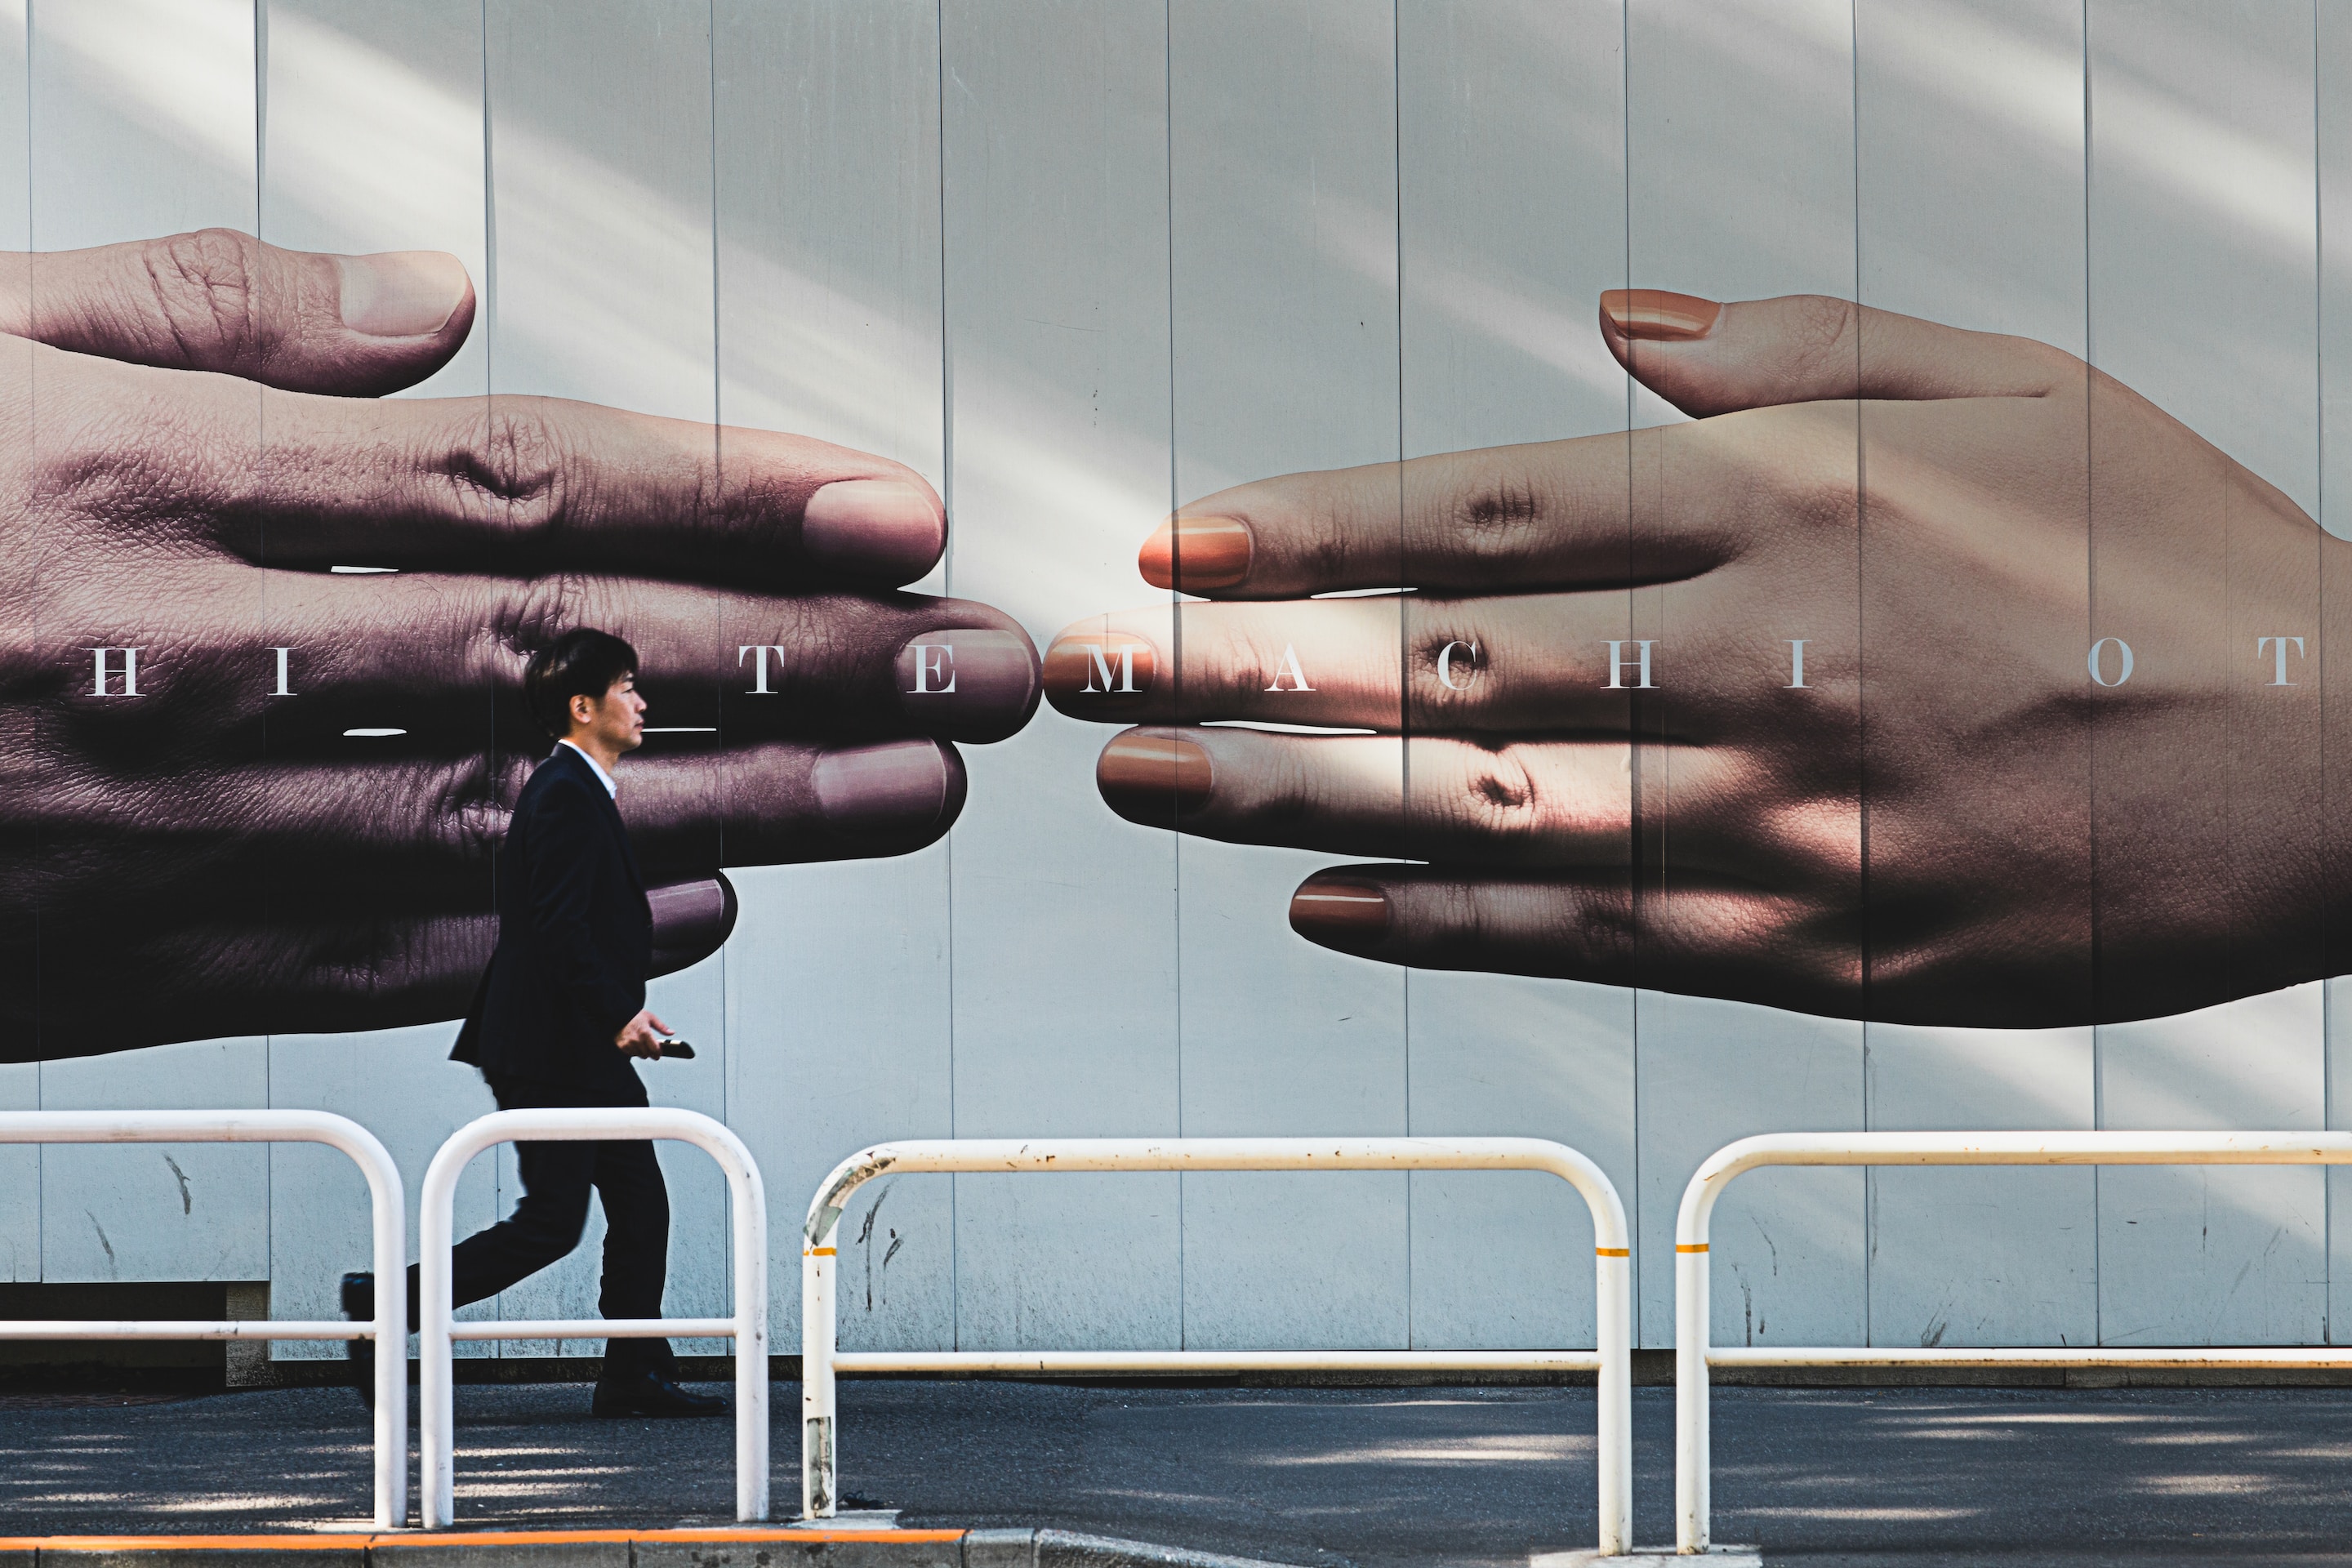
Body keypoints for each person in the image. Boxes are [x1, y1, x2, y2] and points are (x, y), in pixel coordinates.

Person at [342, 626, 724, 1418]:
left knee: (640, 1203)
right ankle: (385, 1305)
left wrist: (627, 1014)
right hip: (550, 1049)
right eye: (626, 687)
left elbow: (572, 927)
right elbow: (555, 926)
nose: (641, 701)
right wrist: (615, 1012)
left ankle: (634, 1373)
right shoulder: (563, 795)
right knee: (552, 1222)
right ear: (582, 707)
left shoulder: (579, 793)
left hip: (575, 1044)